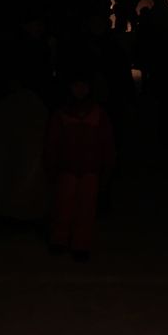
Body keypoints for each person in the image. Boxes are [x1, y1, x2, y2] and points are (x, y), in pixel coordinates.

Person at [42, 59, 115, 262]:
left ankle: (81, 244)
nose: (80, 90)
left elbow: (106, 144)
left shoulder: (98, 114)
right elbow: (52, 143)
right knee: (63, 205)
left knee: (86, 208)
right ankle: (60, 239)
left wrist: (106, 169)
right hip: (67, 168)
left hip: (90, 170)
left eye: (84, 86)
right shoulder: (62, 115)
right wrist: (51, 167)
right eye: (76, 86)